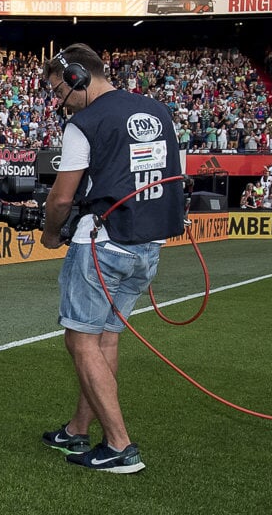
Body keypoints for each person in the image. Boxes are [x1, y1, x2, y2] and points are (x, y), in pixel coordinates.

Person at [40, 43, 184, 474]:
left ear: (76, 78)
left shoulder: (84, 123)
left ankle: (119, 445)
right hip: (147, 246)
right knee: (105, 338)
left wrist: (50, 233)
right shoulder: (159, 110)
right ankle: (78, 429)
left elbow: (62, 197)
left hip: (102, 244)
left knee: (80, 340)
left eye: (57, 91)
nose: (57, 101)